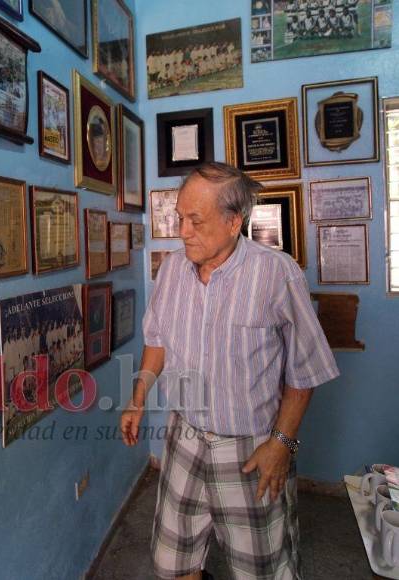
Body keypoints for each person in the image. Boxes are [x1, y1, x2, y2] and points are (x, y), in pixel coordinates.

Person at [120, 162, 339, 580]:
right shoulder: (171, 270)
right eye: (179, 218)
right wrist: (137, 398)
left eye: (195, 221)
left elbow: (305, 368)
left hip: (250, 447)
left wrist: (280, 443)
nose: (182, 230)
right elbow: (158, 339)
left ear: (233, 221)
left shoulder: (276, 274)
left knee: (260, 567)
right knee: (172, 560)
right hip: (183, 438)